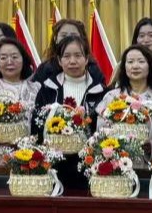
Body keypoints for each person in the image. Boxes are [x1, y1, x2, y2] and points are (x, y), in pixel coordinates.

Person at [32, 36, 108, 190]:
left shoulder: (101, 91)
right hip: (53, 168)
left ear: (86, 59)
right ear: (59, 61)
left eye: (78, 55)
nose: (72, 61)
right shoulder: (48, 89)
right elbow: (36, 124)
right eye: (66, 56)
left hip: (90, 168)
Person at [96, 45, 152, 164]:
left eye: (141, 61)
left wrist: (151, 146)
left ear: (150, 66)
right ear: (124, 67)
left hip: (151, 165)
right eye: (130, 62)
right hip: (117, 165)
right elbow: (100, 131)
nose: (135, 66)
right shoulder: (111, 97)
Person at [0, 38, 41, 161]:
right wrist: (3, 152)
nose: (9, 62)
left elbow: (40, 126)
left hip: (29, 160)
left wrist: (25, 149)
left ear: (24, 59)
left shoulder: (36, 89)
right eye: (3, 58)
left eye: (15, 57)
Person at [32, 19, 105, 85]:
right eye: (64, 35)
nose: (68, 39)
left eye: (74, 35)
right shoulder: (45, 69)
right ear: (55, 39)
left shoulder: (92, 70)